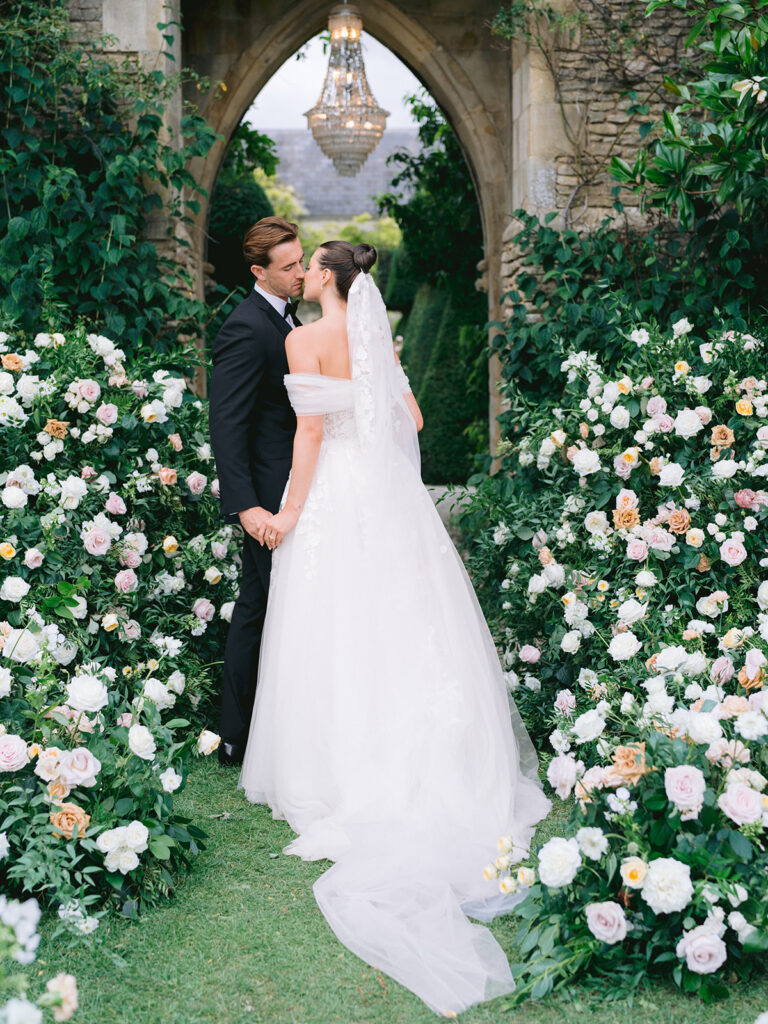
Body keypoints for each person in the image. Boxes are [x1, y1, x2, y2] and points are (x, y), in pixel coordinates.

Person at [238, 240, 550, 1016]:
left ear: (329, 280)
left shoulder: (301, 338)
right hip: (385, 499)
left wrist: (290, 512)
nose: (303, 272)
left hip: (336, 499)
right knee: (402, 628)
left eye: (311, 265)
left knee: (334, 629)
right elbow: (406, 415)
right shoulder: (378, 340)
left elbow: (309, 437)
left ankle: (335, 768)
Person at [208, 217, 304, 766]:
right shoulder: (246, 327)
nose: (298, 272)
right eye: (287, 266)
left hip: (290, 490)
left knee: (261, 604)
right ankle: (239, 736)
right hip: (266, 499)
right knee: (261, 606)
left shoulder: (287, 320)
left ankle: (238, 732)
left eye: (299, 261)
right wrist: (246, 506)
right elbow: (227, 424)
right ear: (258, 272)